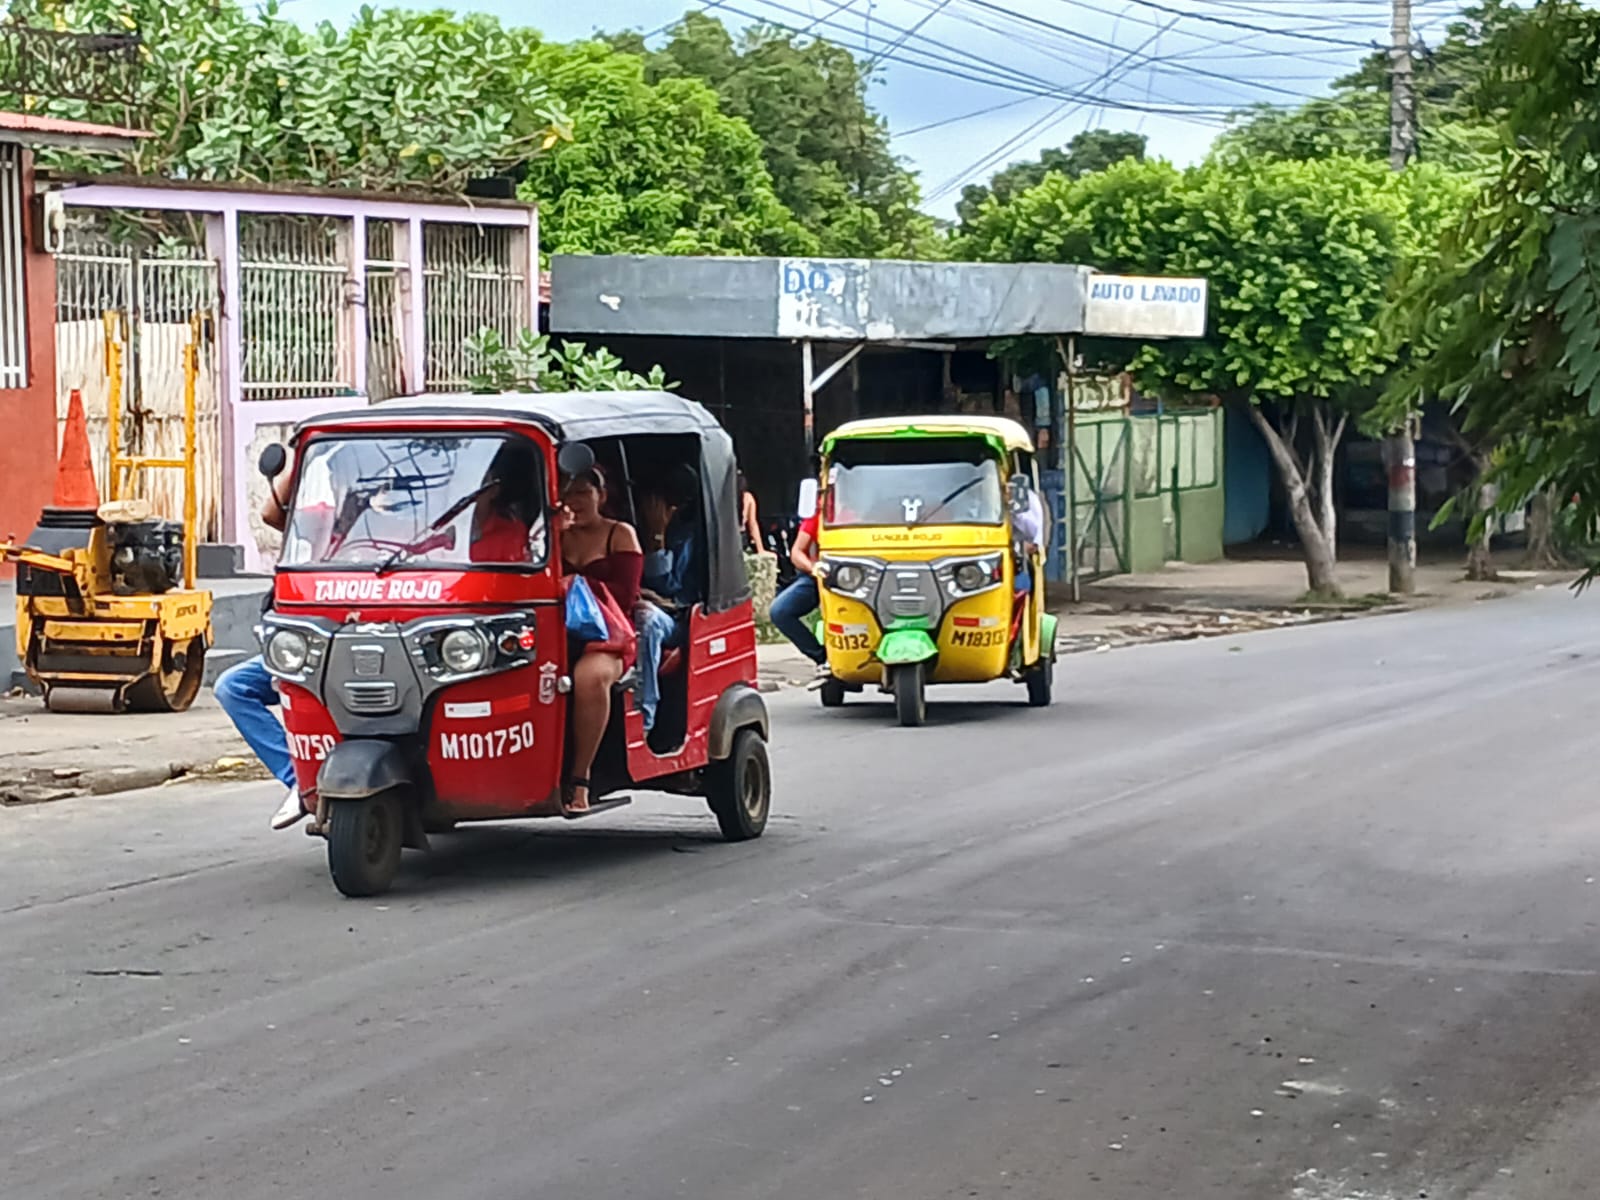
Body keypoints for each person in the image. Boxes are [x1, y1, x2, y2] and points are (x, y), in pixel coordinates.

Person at [216, 469, 303, 830]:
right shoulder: (317, 521)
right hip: (301, 645)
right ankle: (299, 778)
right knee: (232, 687)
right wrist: (300, 456)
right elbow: (271, 514)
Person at [559, 465, 642, 814]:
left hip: (608, 634)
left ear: (601, 496)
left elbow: (626, 595)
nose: (573, 501)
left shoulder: (619, 534)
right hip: (556, 632)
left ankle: (581, 779)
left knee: (590, 679)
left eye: (582, 492)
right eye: (567, 494)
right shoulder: (553, 535)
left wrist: (576, 585)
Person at [635, 464, 700, 735]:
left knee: (647, 621)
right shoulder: (629, 526)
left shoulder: (687, 536)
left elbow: (672, 588)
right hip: (636, 602)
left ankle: (644, 716)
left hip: (676, 618)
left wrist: (657, 539)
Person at [769, 508, 828, 683]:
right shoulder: (821, 514)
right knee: (779, 611)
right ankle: (822, 658)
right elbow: (796, 553)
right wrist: (814, 569)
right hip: (821, 576)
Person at [738, 471, 762, 552]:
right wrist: (760, 550)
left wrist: (760, 550)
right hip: (739, 538)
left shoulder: (747, 497)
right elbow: (753, 525)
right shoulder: (748, 497)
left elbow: (753, 524)